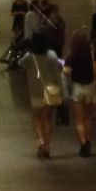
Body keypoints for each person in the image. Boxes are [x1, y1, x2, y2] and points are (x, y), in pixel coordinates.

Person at [19, 30, 64, 159]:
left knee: (37, 118)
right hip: (51, 91)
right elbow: (57, 74)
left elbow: (20, 65)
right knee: (47, 118)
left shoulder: (29, 56)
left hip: (35, 91)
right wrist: (61, 90)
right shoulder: (52, 55)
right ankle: (47, 146)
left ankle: (40, 141)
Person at [63, 28, 96, 157]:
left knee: (79, 120)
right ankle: (88, 141)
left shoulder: (71, 55)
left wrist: (66, 70)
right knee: (88, 118)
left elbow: (66, 72)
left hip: (77, 88)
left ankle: (83, 144)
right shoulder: (92, 54)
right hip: (90, 88)